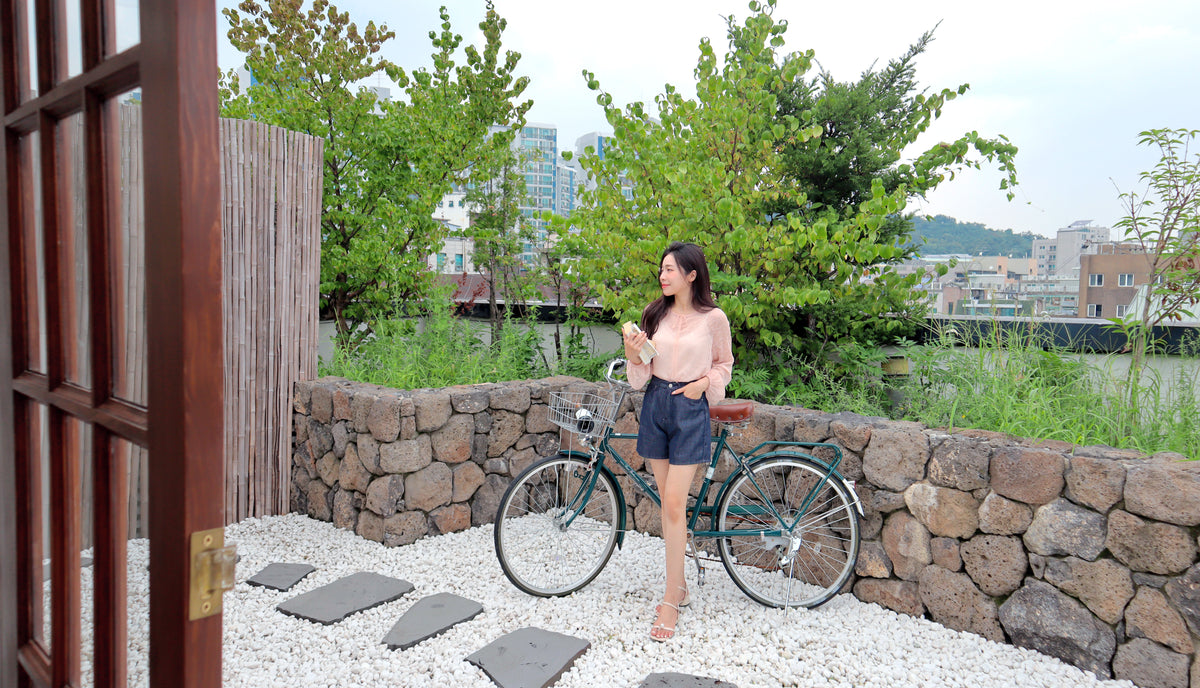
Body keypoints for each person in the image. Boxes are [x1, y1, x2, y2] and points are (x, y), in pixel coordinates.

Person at [622, 241, 734, 642]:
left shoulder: (713, 318)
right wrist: (632, 352)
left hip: (689, 409)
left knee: (673, 502)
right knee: (668, 506)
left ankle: (671, 597)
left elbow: (724, 364)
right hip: (655, 405)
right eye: (661, 269)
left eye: (671, 270)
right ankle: (680, 585)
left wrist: (703, 385)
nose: (663, 276)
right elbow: (641, 372)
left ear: (691, 275)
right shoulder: (654, 314)